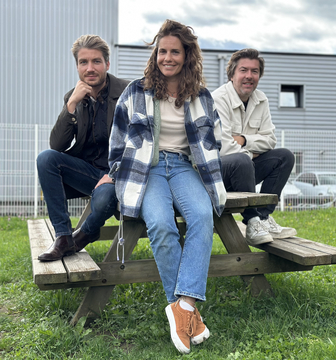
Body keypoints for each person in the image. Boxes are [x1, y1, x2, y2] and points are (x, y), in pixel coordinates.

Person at [108, 19, 226, 354]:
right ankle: (189, 316)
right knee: (161, 224)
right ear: (155, 54)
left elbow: (213, 140)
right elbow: (117, 140)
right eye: (162, 51)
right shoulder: (136, 91)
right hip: (148, 169)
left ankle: (183, 306)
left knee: (203, 216)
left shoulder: (201, 96)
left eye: (175, 51)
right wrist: (118, 170)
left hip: (184, 167)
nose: (167, 57)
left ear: (187, 55)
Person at [37, 35, 129, 261]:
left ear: (107, 64)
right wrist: (71, 105)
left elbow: (140, 142)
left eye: (96, 61)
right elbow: (57, 145)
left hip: (117, 175)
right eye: (83, 62)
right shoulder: (74, 96)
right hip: (87, 172)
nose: (90, 68)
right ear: (77, 66)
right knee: (46, 158)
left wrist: (114, 174)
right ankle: (63, 236)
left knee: (105, 197)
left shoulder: (128, 92)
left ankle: (87, 231)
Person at [212, 48, 296, 245]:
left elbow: (270, 140)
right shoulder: (218, 99)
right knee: (241, 160)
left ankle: (263, 218)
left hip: (244, 170)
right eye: (243, 70)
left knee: (284, 156)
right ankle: (252, 221)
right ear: (232, 74)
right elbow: (224, 149)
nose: (249, 76)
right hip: (217, 175)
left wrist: (243, 140)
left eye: (254, 71)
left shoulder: (261, 99)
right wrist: (251, 152)